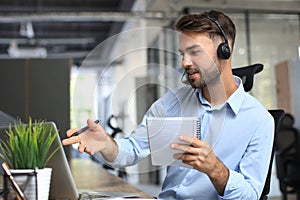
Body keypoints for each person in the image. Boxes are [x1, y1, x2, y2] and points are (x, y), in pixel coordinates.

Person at [62, 10, 274, 199]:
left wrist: (216, 169)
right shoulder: (172, 102)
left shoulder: (259, 121)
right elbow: (134, 149)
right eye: (183, 54)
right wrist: (108, 145)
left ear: (224, 51)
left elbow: (250, 195)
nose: (185, 62)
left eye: (195, 52)